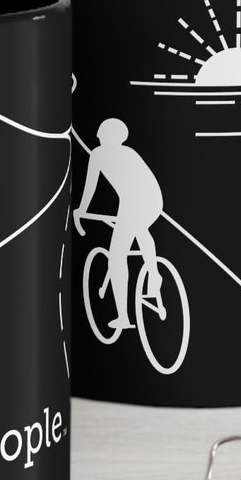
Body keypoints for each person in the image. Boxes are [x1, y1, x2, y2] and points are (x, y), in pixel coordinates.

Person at [74, 118, 165, 332]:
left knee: (116, 258)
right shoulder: (130, 153)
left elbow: (90, 188)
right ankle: (154, 274)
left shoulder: (97, 155)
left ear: (105, 135)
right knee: (141, 230)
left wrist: (81, 211)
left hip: (134, 202)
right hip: (152, 199)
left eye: (101, 131)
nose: (98, 134)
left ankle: (123, 317)